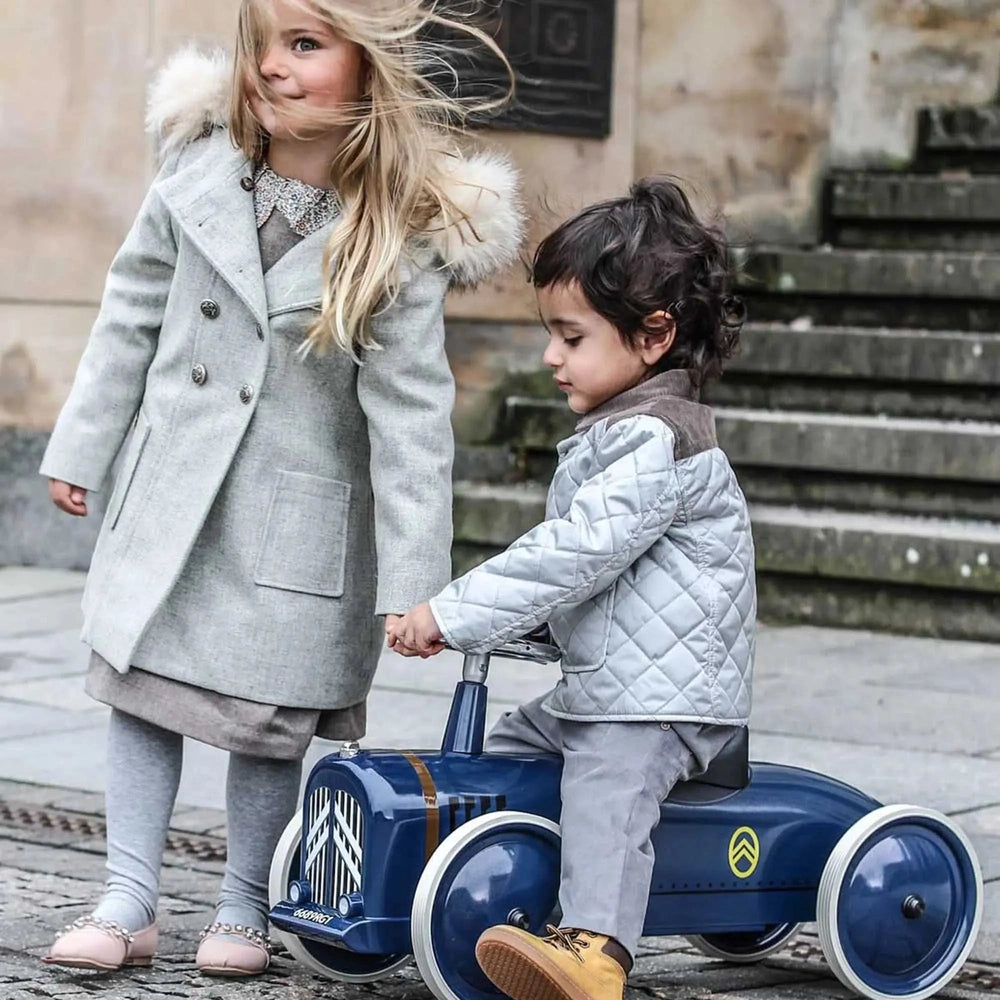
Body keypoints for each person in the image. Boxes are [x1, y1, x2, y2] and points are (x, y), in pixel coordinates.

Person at [41, 0, 522, 977]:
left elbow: (412, 418)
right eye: (258, 46)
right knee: (140, 683)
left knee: (268, 712)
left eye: (303, 46)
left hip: (295, 516)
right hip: (175, 488)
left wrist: (416, 578)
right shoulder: (196, 169)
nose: (270, 67)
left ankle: (243, 902)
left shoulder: (396, 233)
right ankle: (128, 891)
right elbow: (130, 312)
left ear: (367, 70)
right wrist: (79, 447)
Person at [390, 177, 753, 1000]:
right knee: (508, 758)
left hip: (665, 699)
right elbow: (596, 584)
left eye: (572, 336)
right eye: (550, 334)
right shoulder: (616, 436)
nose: (551, 356)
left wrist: (453, 612)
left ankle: (596, 952)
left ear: (654, 335)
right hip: (609, 686)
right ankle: (439, 890)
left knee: (605, 786)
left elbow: (574, 555)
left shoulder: (654, 442)